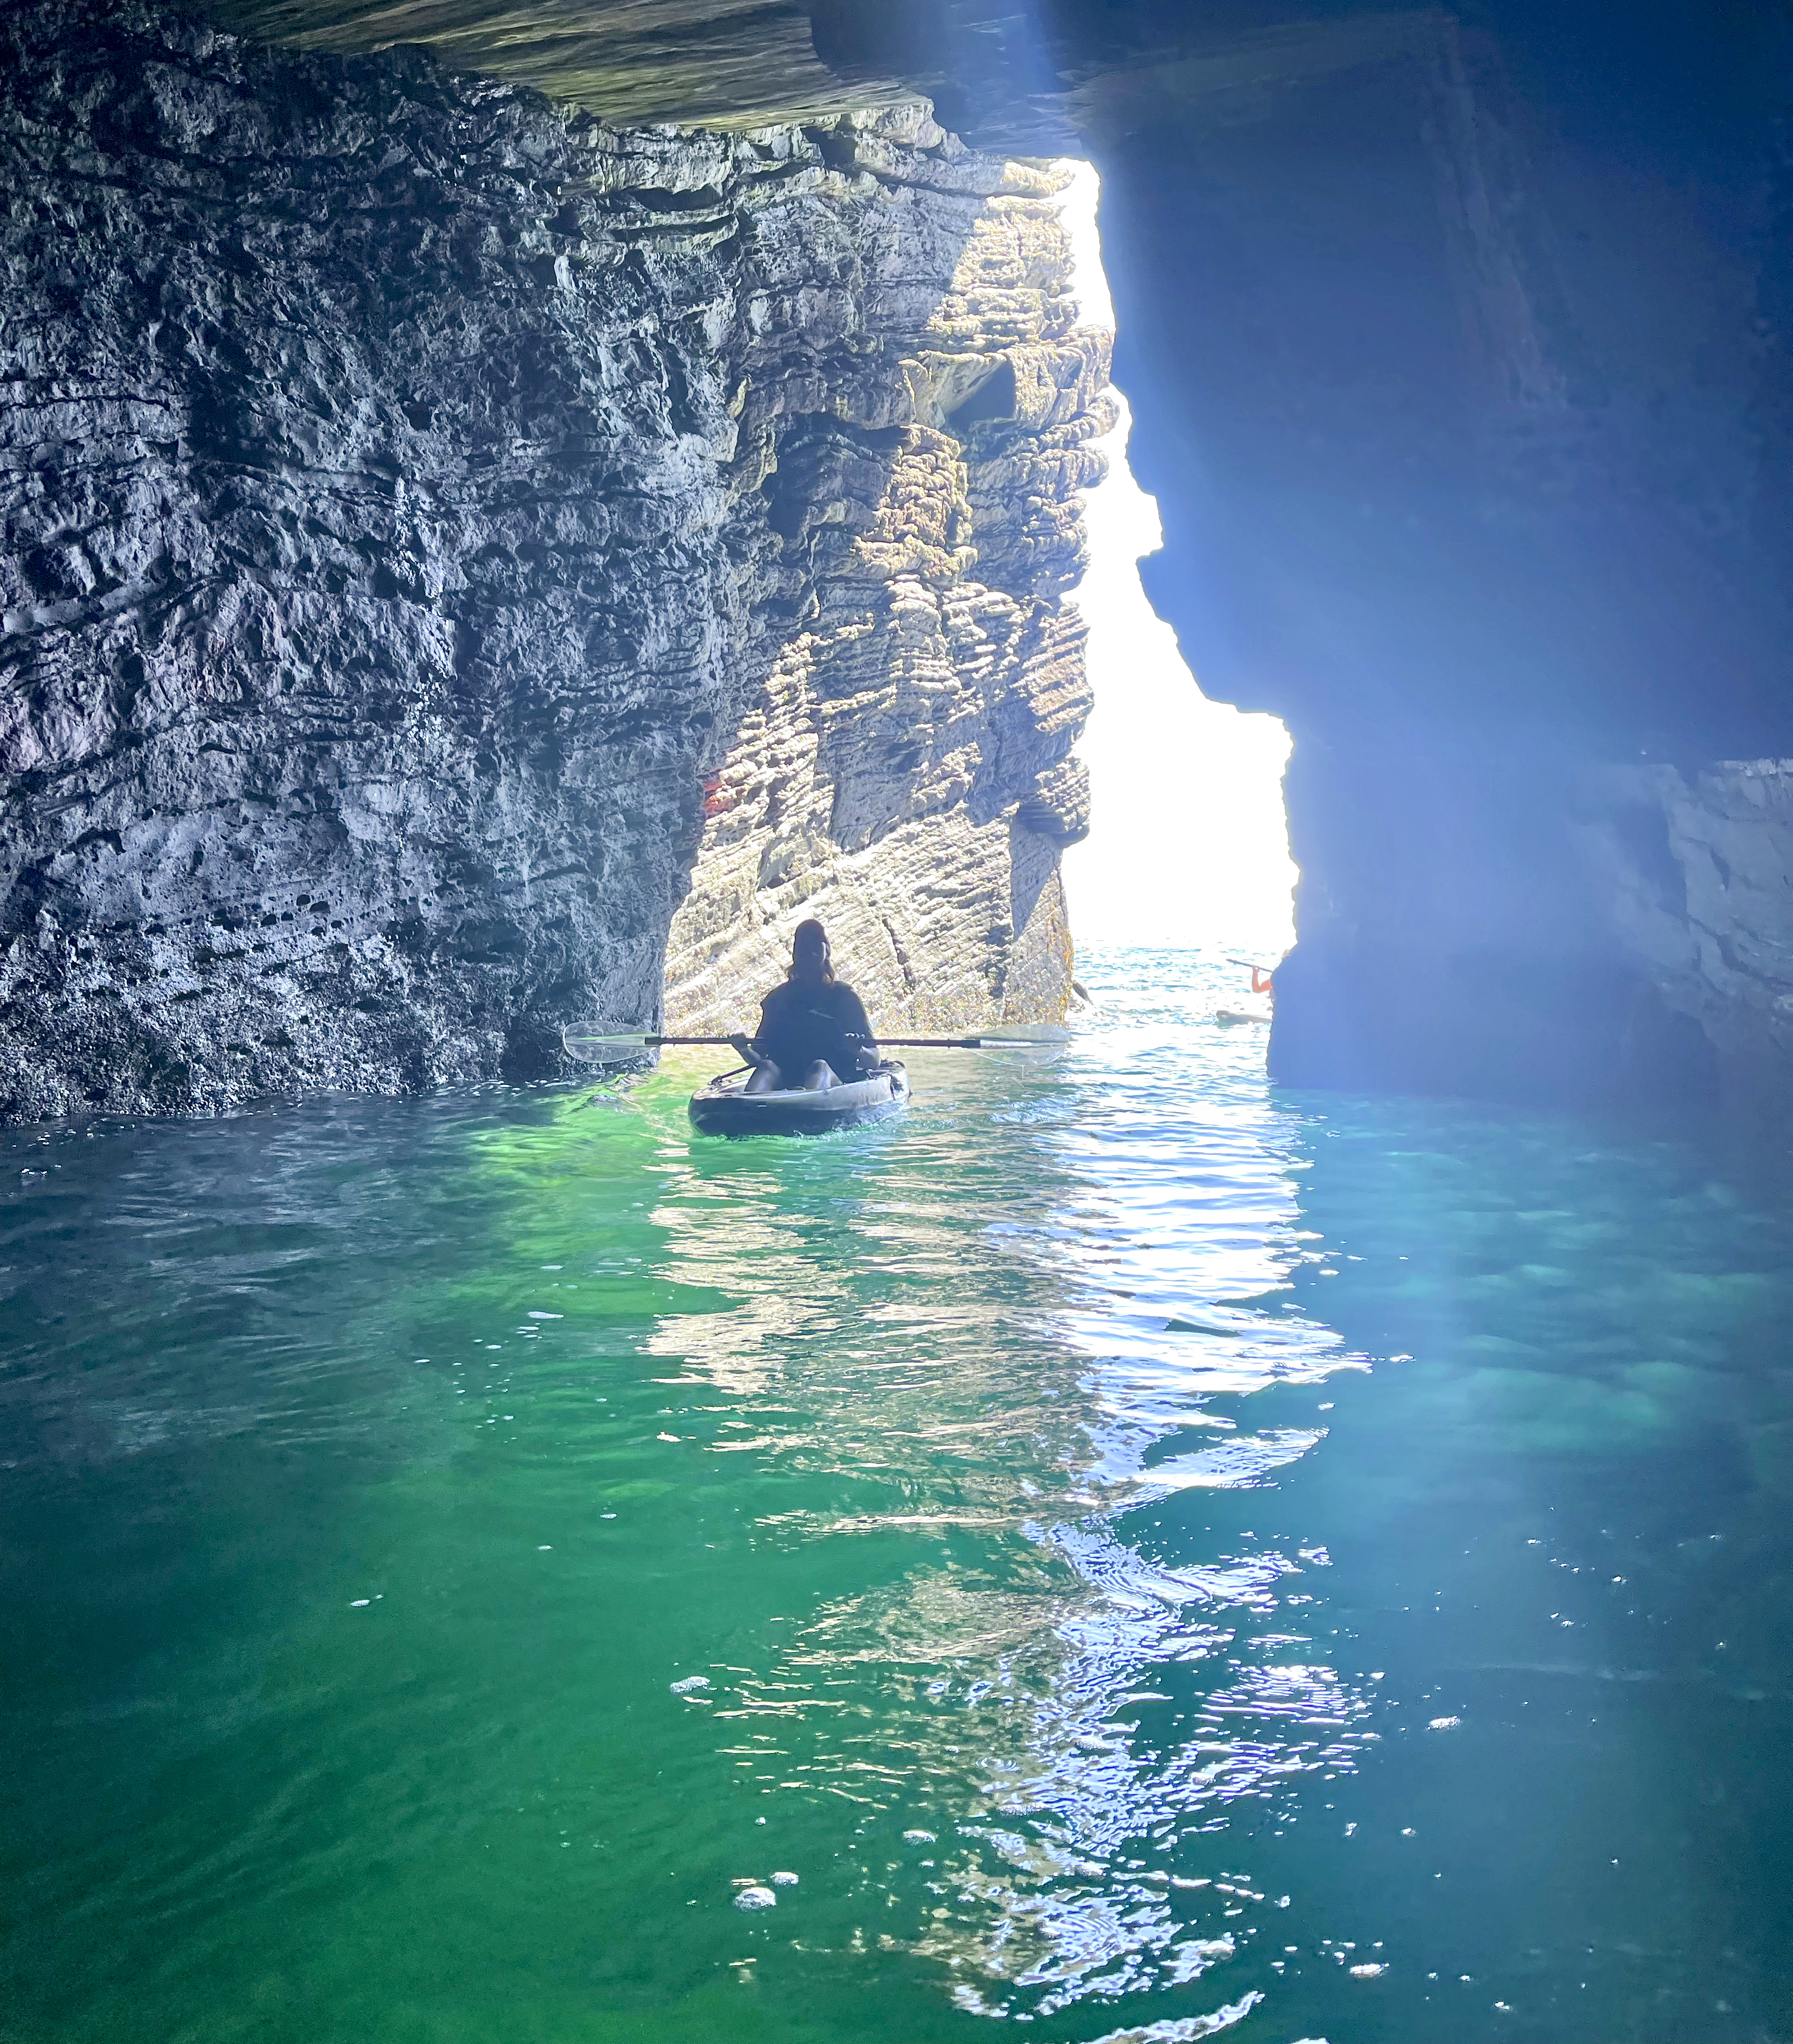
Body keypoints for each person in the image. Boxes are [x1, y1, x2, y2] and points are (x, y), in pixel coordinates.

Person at [744, 920, 879, 1093]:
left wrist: (858, 1050)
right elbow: (758, 1058)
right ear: (795, 954)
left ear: (827, 950)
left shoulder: (845, 997)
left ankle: (804, 1100)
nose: (809, 949)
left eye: (815, 942)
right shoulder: (778, 999)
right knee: (766, 1067)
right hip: (786, 1078)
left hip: (835, 1080)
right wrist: (743, 1048)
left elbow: (874, 1061)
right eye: (803, 944)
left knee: (819, 1067)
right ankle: (748, 1106)